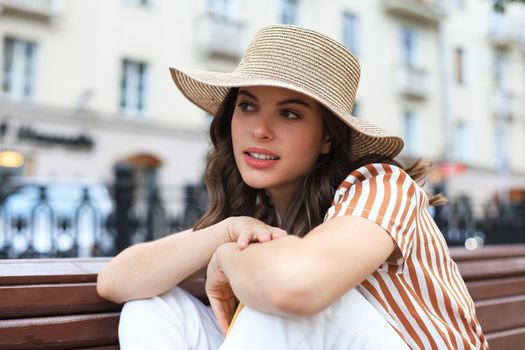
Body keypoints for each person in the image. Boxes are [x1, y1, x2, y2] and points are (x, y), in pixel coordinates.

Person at [97, 25, 488, 349]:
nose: (260, 130)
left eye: (289, 114)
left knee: (280, 301)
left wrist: (227, 259)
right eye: (247, 106)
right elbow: (116, 281)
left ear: (327, 139)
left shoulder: (382, 186)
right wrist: (225, 232)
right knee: (154, 305)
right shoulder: (258, 213)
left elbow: (295, 288)